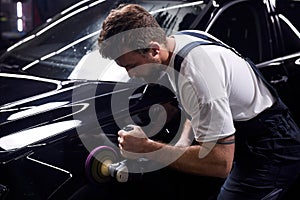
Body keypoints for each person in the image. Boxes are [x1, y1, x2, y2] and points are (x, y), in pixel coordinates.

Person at [97, 3, 300, 199]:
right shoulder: (178, 43)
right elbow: (194, 109)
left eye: (131, 66)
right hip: (251, 139)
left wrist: (147, 147)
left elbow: (220, 163)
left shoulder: (196, 75)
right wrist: (182, 143)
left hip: (272, 150)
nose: (131, 75)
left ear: (154, 50)